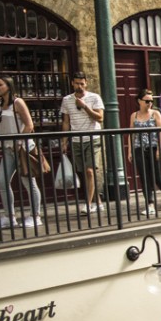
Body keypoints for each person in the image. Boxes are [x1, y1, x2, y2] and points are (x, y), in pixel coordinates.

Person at [0, 75, 44, 228]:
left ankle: (36, 216)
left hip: (22, 149)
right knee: (2, 181)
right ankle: (9, 217)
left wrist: (19, 141)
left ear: (8, 86)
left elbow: (29, 125)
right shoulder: (0, 104)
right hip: (8, 149)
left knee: (28, 182)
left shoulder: (18, 102)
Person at [61, 72, 105, 214]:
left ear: (86, 83)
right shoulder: (67, 100)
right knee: (83, 173)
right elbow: (66, 122)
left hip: (92, 138)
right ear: (72, 83)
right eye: (76, 83)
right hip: (76, 140)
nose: (79, 86)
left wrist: (85, 106)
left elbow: (100, 118)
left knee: (90, 171)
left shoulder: (94, 98)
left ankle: (88, 204)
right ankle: (98, 201)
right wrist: (64, 141)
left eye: (82, 83)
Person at [122, 90, 161, 216]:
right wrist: (130, 151)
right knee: (144, 177)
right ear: (139, 101)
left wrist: (160, 148)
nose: (150, 103)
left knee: (157, 177)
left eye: (151, 101)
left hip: (154, 148)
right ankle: (150, 204)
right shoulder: (134, 115)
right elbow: (131, 135)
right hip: (139, 149)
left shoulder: (155, 114)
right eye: (147, 101)